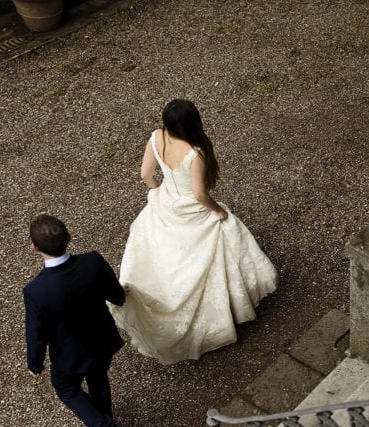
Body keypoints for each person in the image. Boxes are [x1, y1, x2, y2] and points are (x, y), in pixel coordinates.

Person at [111, 99, 278, 364]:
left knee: (167, 260)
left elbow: (145, 174)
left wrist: (158, 190)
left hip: (167, 203)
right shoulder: (196, 152)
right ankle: (229, 312)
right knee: (224, 235)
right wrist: (219, 212)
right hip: (192, 209)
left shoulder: (156, 137)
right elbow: (200, 194)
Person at [23, 214, 131, 427]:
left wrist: (35, 364)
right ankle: (109, 425)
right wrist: (120, 296)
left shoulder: (36, 291)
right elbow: (115, 294)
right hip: (102, 339)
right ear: (69, 237)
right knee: (98, 378)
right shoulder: (92, 261)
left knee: (66, 388)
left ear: (34, 247)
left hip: (69, 354)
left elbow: (36, 333)